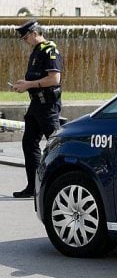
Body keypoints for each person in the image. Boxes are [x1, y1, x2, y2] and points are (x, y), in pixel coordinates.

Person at [10, 19, 63, 198]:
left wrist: (29, 84)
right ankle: (32, 187)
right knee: (29, 144)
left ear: (34, 33)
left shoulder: (50, 50)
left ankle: (62, 184)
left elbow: (54, 79)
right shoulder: (36, 52)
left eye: (26, 38)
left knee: (57, 145)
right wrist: (24, 85)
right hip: (36, 106)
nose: (25, 41)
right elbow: (35, 79)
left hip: (47, 106)